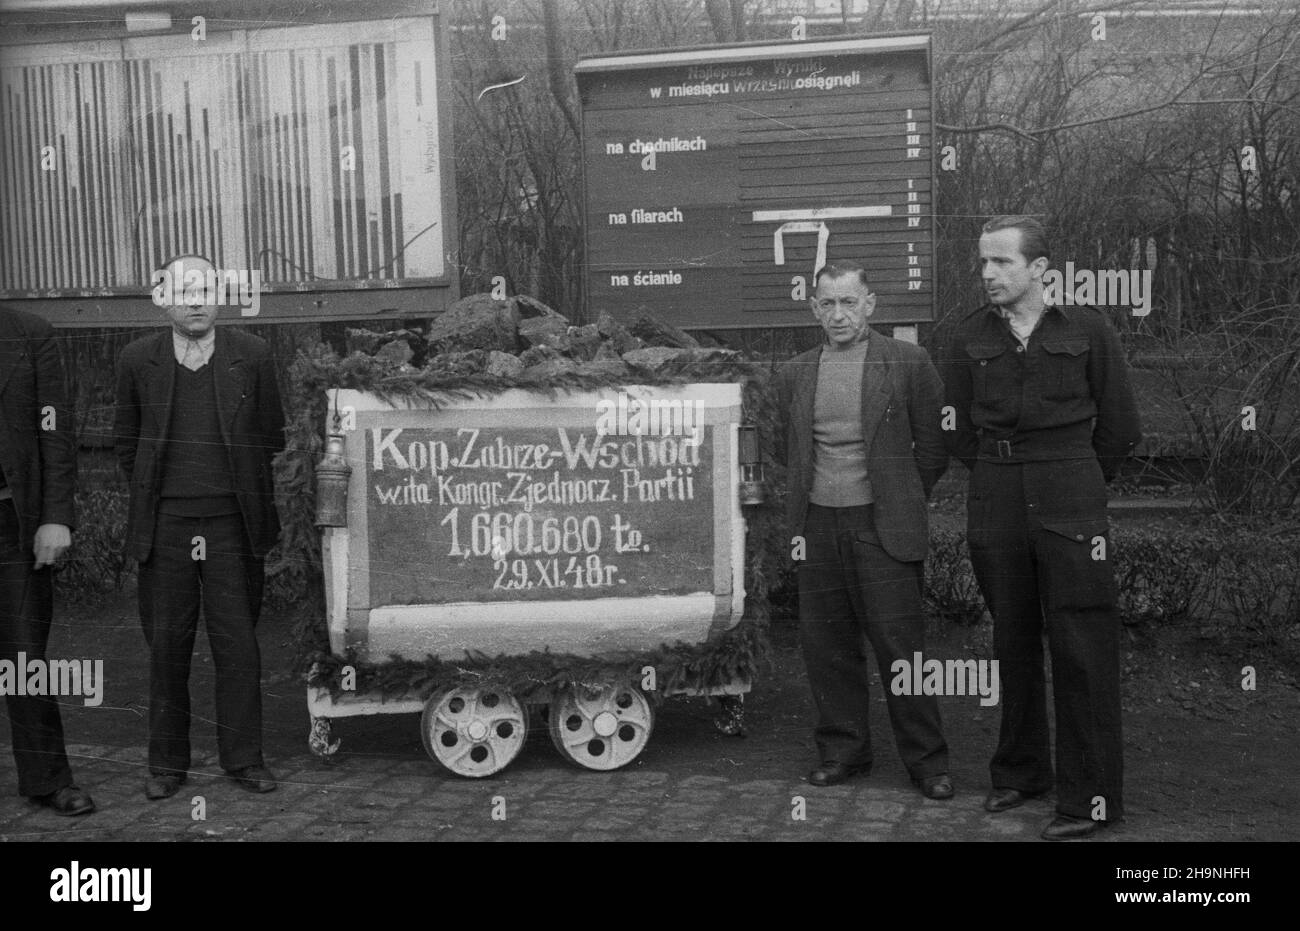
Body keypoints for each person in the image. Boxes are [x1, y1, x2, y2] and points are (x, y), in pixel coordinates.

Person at [940, 215, 1141, 840]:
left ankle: (1089, 800)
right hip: (995, 493)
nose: (988, 274)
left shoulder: (1088, 328)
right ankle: (1022, 773)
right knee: (1012, 639)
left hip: (1070, 492)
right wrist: (1002, 469)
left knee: (1082, 645)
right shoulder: (963, 334)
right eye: (983, 263)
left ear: (1040, 270)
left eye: (1001, 262)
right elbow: (953, 424)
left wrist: (1072, 475)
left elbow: (1121, 427)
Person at [772, 261, 953, 799]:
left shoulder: (908, 362)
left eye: (848, 302)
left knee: (902, 649)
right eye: (827, 304)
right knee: (826, 646)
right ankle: (844, 752)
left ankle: (928, 763)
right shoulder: (796, 372)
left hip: (883, 526)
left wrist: (898, 494)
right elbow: (788, 452)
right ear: (814, 309)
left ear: (870, 304)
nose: (838, 314)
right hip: (817, 526)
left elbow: (935, 446)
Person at [114, 254, 284, 799]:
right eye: (183, 290)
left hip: (232, 524)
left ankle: (245, 760)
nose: (195, 300)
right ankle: (167, 766)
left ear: (220, 295)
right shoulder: (138, 359)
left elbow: (270, 434)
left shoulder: (252, 355)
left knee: (239, 645)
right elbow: (126, 444)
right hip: (166, 524)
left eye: (205, 288)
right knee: (168, 645)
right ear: (162, 297)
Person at [0, 304, 96, 816]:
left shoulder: (29, 334)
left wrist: (55, 516)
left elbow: (55, 433)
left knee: (23, 659)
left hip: (11, 527)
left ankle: (47, 780)